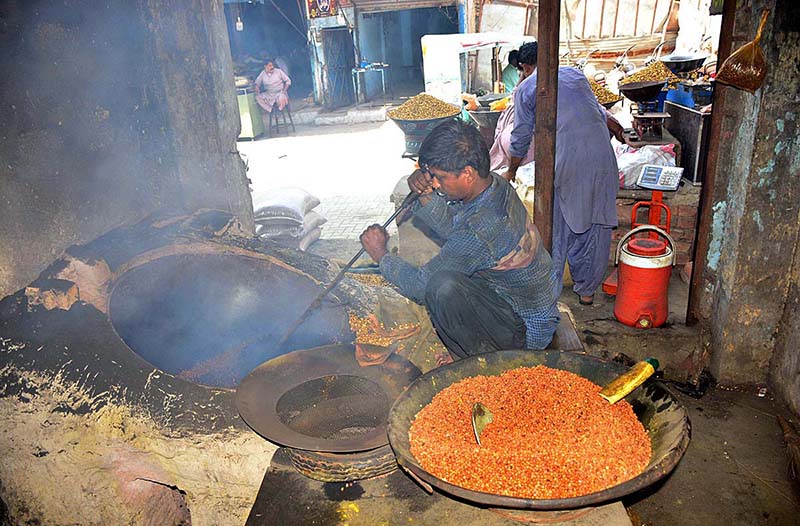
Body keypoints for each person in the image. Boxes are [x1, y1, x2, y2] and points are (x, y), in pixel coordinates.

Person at [359, 120, 560, 360]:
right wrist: (425, 195)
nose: (434, 183)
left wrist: (381, 254)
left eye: (440, 178)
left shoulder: (482, 229)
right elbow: (455, 226)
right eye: (432, 176)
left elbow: (419, 285)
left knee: (441, 288)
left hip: (526, 332)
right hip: (525, 302)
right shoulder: (496, 185)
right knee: (451, 276)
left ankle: (480, 357)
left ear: (467, 173)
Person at [503, 41, 620, 306]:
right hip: (603, 157)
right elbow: (600, 112)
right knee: (596, 223)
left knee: (558, 228)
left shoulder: (527, 88)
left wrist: (510, 170)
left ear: (524, 66)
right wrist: (620, 129)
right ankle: (587, 292)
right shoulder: (576, 75)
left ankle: (548, 296)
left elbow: (520, 136)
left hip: (570, 161)